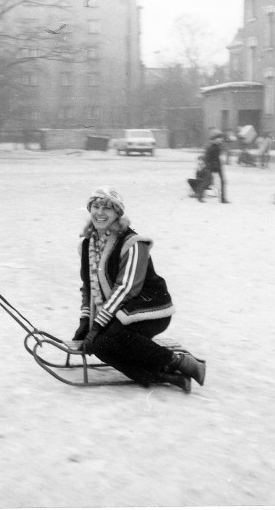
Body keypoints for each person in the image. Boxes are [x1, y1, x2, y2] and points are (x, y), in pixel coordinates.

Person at [71, 187, 206, 393]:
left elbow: (125, 288)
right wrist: (85, 321)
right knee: (99, 346)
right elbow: (88, 288)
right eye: (96, 206)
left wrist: (97, 327)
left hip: (149, 309)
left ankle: (181, 362)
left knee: (111, 339)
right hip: (119, 312)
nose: (100, 213)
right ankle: (164, 376)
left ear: (118, 213)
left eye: (107, 208)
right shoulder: (88, 245)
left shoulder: (133, 243)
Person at [195, 129, 229, 203]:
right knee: (207, 181)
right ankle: (199, 195)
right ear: (215, 139)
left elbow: (227, 141)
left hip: (218, 166)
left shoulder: (219, 146)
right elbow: (207, 158)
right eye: (219, 138)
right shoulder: (210, 147)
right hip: (211, 166)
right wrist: (209, 165)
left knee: (223, 181)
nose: (221, 140)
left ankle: (223, 198)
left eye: (221, 138)